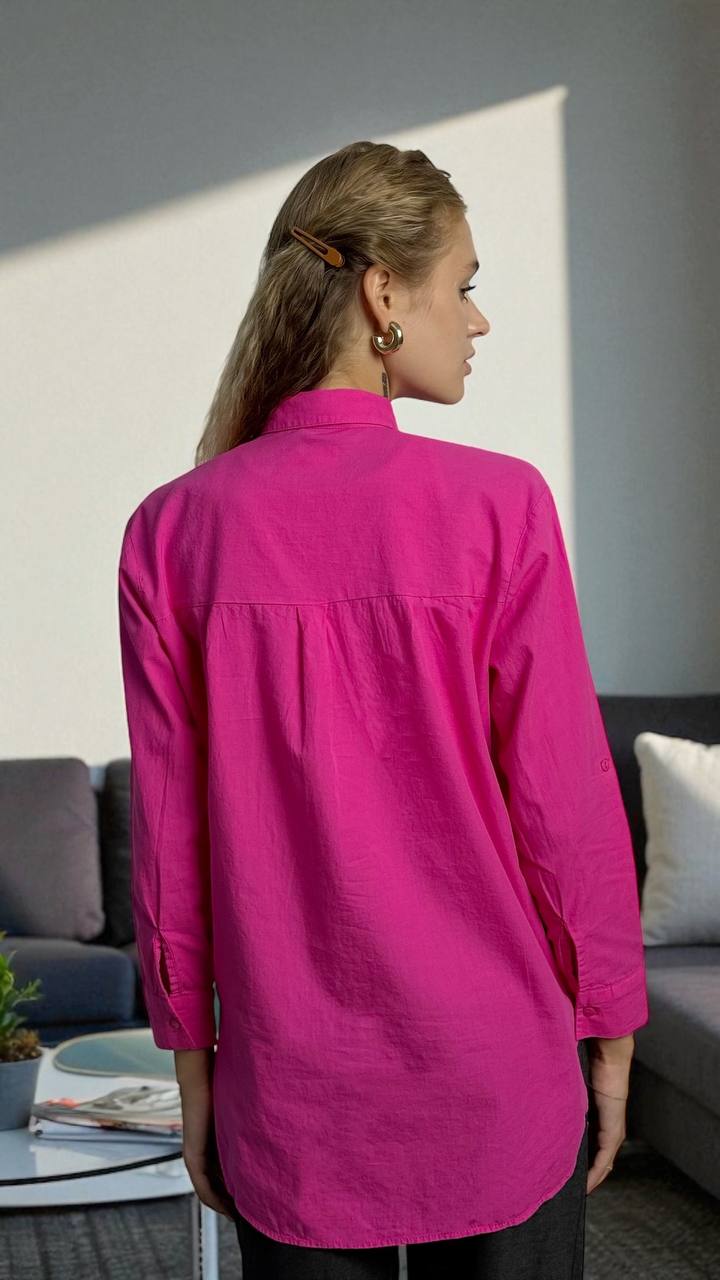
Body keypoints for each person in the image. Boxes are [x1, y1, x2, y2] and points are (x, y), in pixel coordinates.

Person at [117, 140, 649, 1280]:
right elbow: (564, 801)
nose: (479, 318)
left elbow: (169, 849)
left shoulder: (170, 531)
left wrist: (195, 1070)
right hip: (498, 1072)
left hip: (290, 1094)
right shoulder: (501, 507)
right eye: (464, 283)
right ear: (383, 294)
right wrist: (611, 1029)